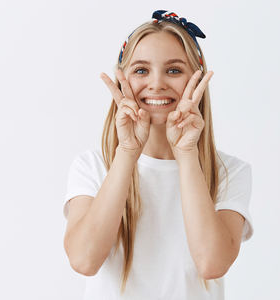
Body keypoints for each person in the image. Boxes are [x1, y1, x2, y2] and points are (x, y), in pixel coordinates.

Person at [62, 10, 253, 299]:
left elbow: (212, 264)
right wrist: (127, 152)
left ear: (197, 80)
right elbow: (84, 261)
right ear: (122, 78)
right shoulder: (92, 166)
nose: (156, 83)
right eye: (141, 70)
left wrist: (187, 153)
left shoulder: (230, 171)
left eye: (174, 70)